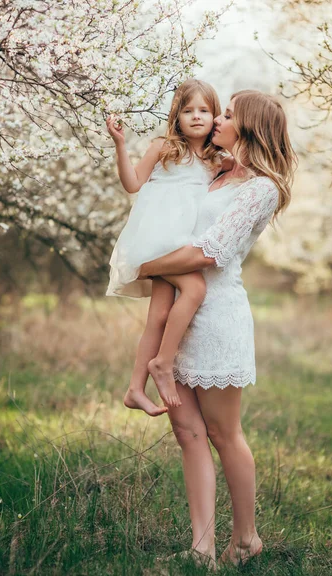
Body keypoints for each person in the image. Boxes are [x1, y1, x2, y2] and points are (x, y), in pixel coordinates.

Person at [137, 90, 297, 567]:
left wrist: (142, 266)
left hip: (218, 316)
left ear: (248, 128)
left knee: (225, 434)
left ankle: (246, 538)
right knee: (187, 433)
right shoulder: (216, 170)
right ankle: (202, 548)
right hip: (181, 317)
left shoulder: (262, 189)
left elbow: (209, 253)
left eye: (228, 114)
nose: (219, 120)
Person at [105, 79, 229, 415]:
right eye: (188, 111)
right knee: (195, 290)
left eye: (204, 110)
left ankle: (134, 389)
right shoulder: (163, 146)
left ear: (215, 115)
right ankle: (162, 362)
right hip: (157, 238)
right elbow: (133, 184)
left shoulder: (218, 159)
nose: (196, 117)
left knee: (158, 315)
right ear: (177, 116)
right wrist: (120, 144)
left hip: (181, 243)